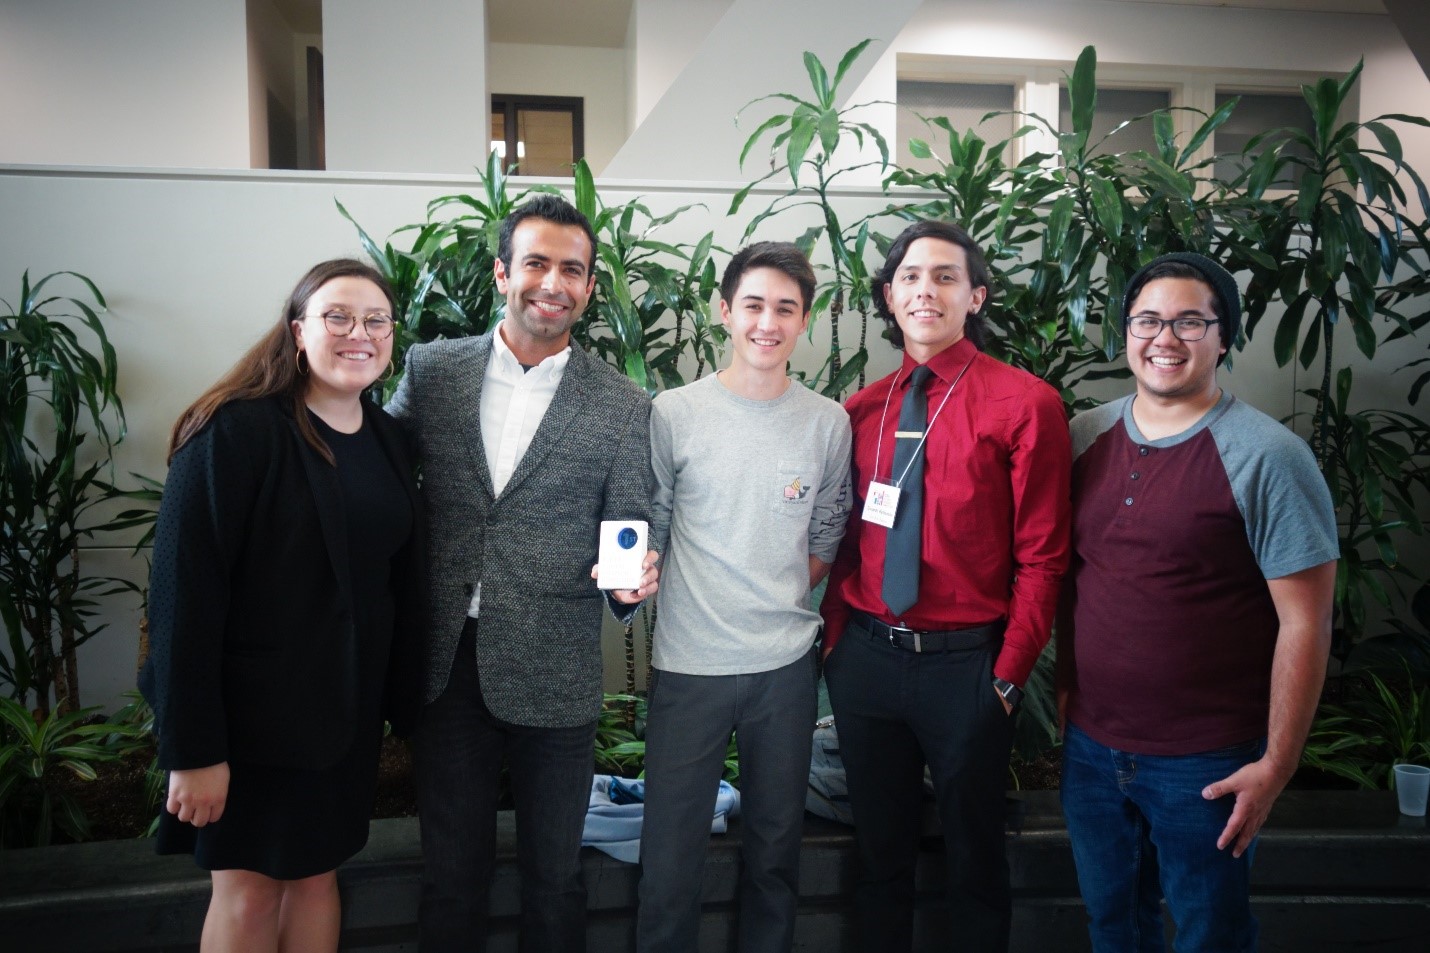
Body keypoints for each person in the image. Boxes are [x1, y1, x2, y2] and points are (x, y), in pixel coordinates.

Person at [386, 193, 658, 952]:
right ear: (504, 272)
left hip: (558, 667)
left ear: (590, 287)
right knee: (450, 876)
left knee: (555, 879)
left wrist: (634, 579)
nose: (554, 281)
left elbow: (632, 521)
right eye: (537, 262)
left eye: (573, 269)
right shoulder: (432, 370)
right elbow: (376, 477)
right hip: (448, 667)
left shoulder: (624, 404)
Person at [139, 258, 424, 953]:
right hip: (250, 724)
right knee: (249, 888)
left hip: (342, 720)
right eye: (337, 317)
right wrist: (195, 750)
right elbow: (182, 597)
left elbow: (394, 582)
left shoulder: (390, 441)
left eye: (376, 320)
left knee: (318, 878)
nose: (359, 333)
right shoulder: (236, 432)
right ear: (299, 331)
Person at [1057, 251, 1338, 952]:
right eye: (1148, 320)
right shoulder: (1083, 437)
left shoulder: (1267, 456)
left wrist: (1277, 763)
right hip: (1092, 750)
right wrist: (1066, 689)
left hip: (1205, 763)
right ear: (1126, 332)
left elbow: (1306, 621)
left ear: (1223, 336)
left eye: (1190, 321)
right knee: (1114, 924)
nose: (1165, 338)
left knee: (1210, 933)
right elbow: (1070, 577)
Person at [820, 221, 1071, 953]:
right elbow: (842, 545)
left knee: (974, 860)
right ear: (890, 298)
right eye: (909, 277)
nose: (925, 289)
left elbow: (1044, 557)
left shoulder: (1026, 404)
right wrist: (838, 643)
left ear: (976, 295)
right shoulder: (860, 411)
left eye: (945, 276)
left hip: (969, 669)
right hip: (866, 660)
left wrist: (1007, 675)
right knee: (879, 858)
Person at [636, 242, 852, 953]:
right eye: (753, 305)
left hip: (785, 668)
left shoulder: (827, 421)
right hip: (689, 664)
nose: (768, 322)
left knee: (775, 850)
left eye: (785, 308)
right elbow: (654, 529)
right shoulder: (674, 411)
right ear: (725, 311)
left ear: (804, 319)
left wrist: (776, 589)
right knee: (669, 856)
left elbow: (826, 530)